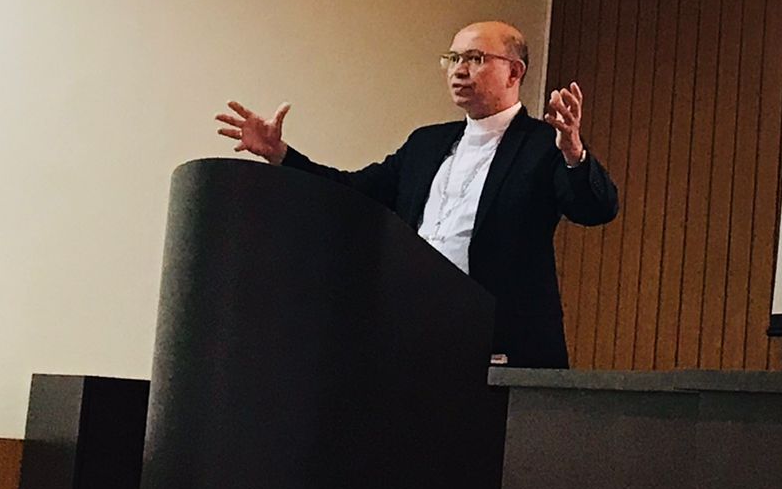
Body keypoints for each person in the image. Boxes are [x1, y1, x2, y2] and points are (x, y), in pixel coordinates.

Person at [215, 20, 618, 368]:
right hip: (415, 329)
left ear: (514, 72)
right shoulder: (427, 144)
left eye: (475, 59)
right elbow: (355, 193)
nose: (459, 70)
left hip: (501, 340)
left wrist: (574, 153)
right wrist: (282, 155)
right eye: (453, 59)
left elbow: (595, 208)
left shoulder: (543, 143)